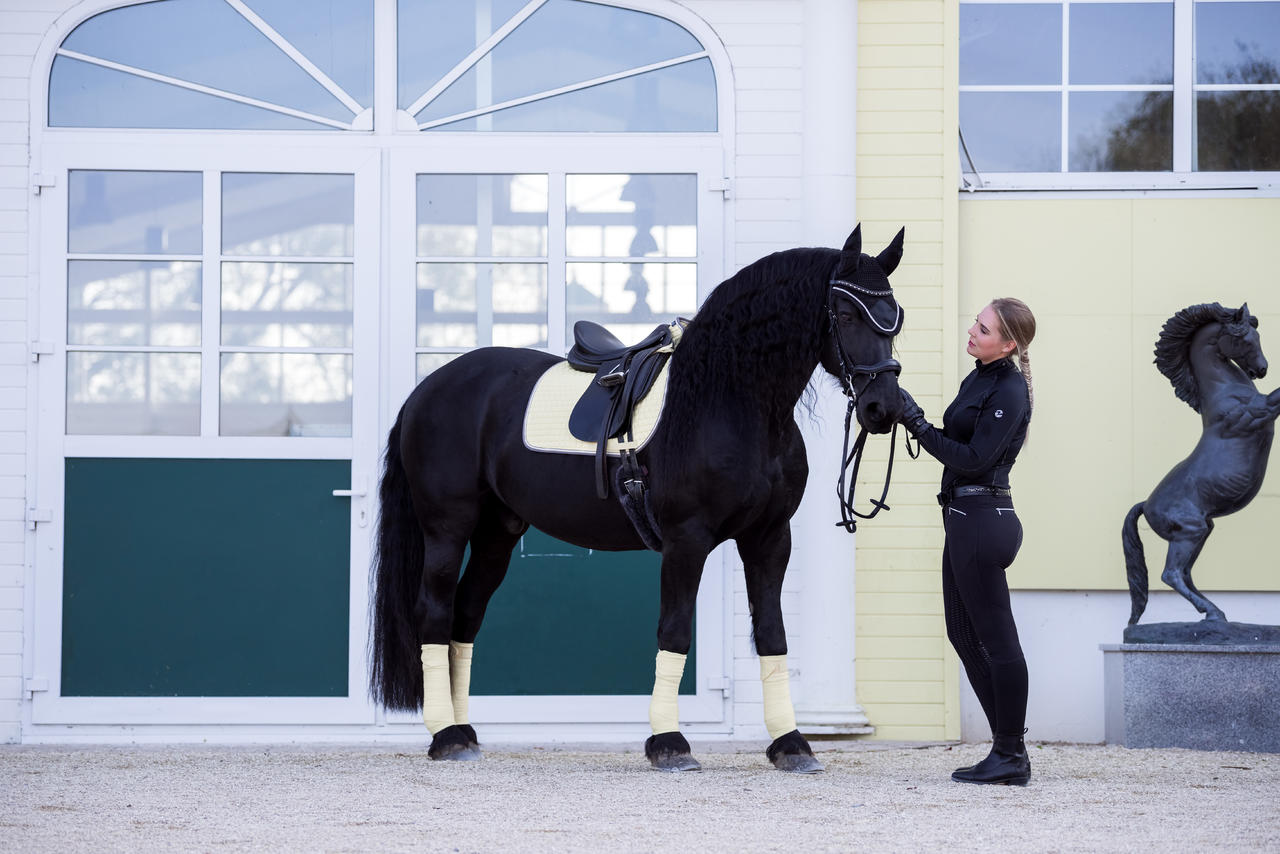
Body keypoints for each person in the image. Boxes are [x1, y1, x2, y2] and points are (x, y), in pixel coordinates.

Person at [897, 298, 1037, 786]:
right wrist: (908, 414)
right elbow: (955, 447)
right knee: (962, 631)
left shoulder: (1009, 389)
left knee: (999, 642)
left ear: (1009, 343)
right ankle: (1006, 748)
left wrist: (914, 420)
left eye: (984, 328)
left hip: (983, 520)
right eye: (975, 323)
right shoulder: (979, 377)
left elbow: (975, 458)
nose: (972, 331)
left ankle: (1010, 753)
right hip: (963, 518)